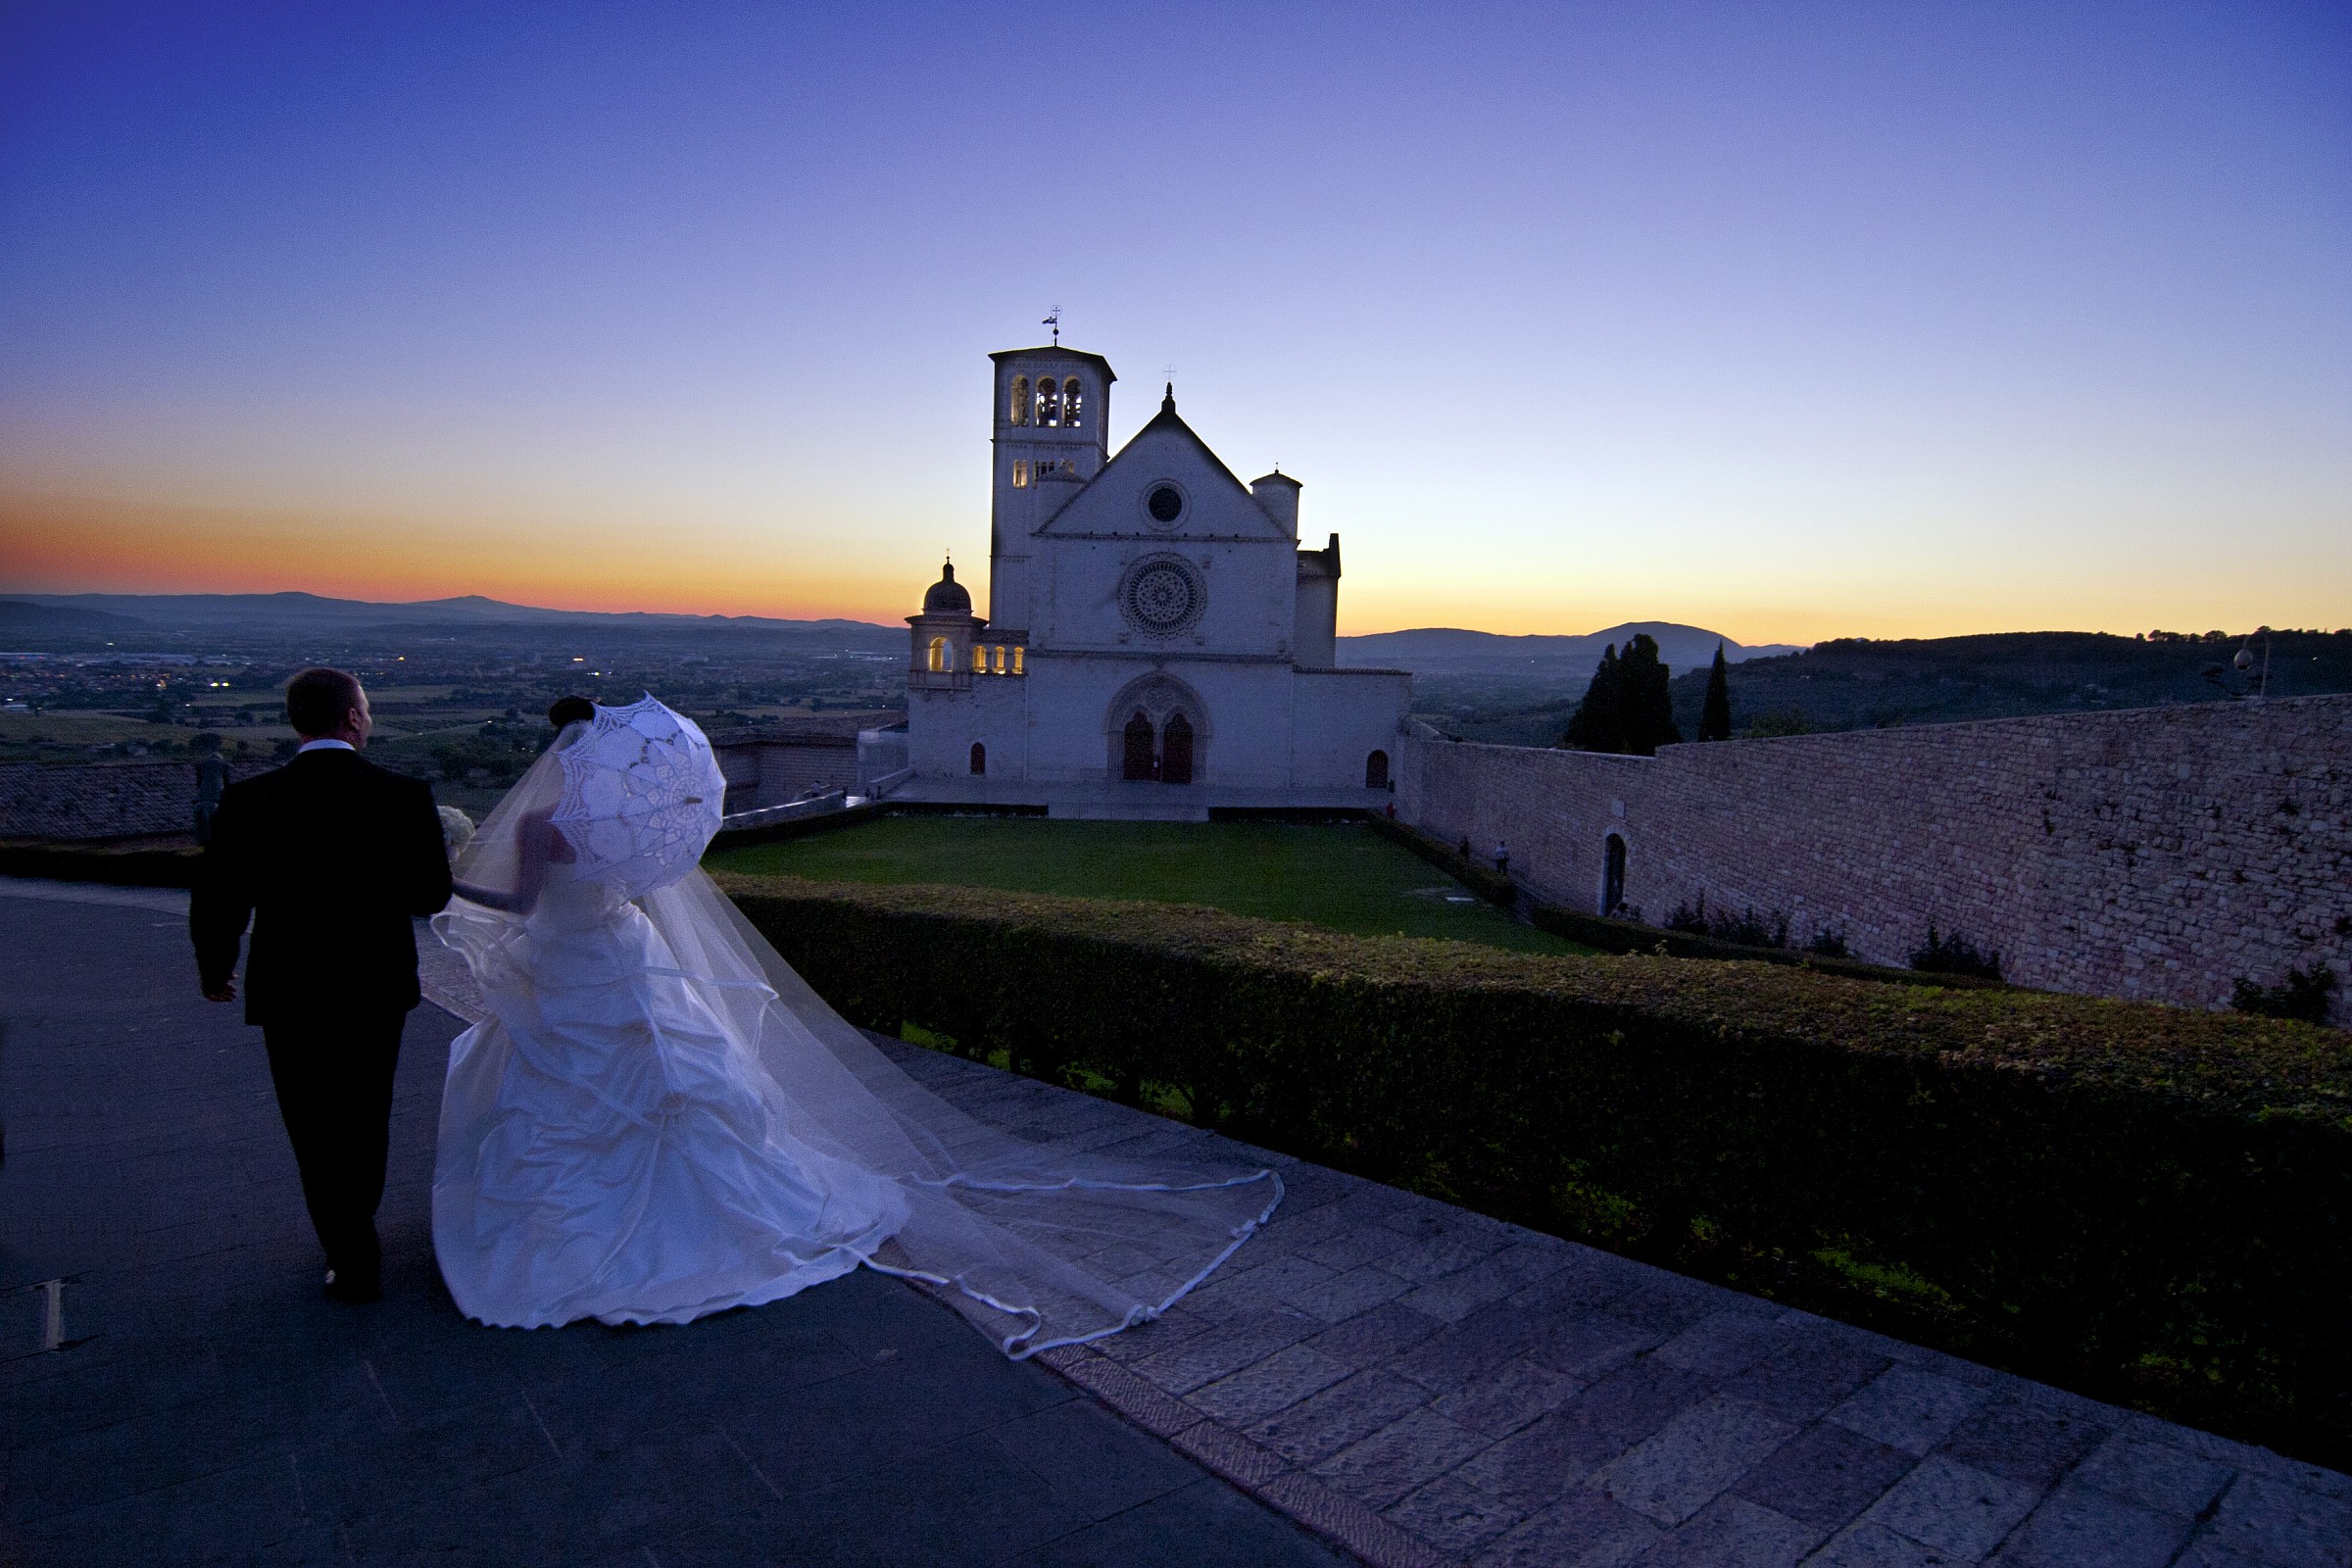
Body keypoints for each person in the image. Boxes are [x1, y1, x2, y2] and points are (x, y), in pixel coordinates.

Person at [431, 695, 1278, 1347]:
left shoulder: (540, 825)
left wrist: (450, 877)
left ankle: (598, 1231)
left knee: (566, 1088)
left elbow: (517, 904)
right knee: (676, 1079)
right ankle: (724, 1211)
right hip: (623, 954)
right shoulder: (619, 823)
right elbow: (637, 881)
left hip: (572, 968)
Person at [190, 667, 453, 1301]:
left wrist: (216, 967)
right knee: (366, 1113)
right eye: (366, 708)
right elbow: (430, 895)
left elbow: (219, 896)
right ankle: (356, 1222)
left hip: (290, 986)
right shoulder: (403, 795)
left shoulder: (249, 800)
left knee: (310, 1122)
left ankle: (348, 1250)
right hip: (375, 985)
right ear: (353, 718)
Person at [190, 732, 231, 846]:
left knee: (200, 836)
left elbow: (198, 783)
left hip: (199, 803)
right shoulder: (223, 765)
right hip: (215, 802)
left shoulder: (202, 765)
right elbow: (227, 785)